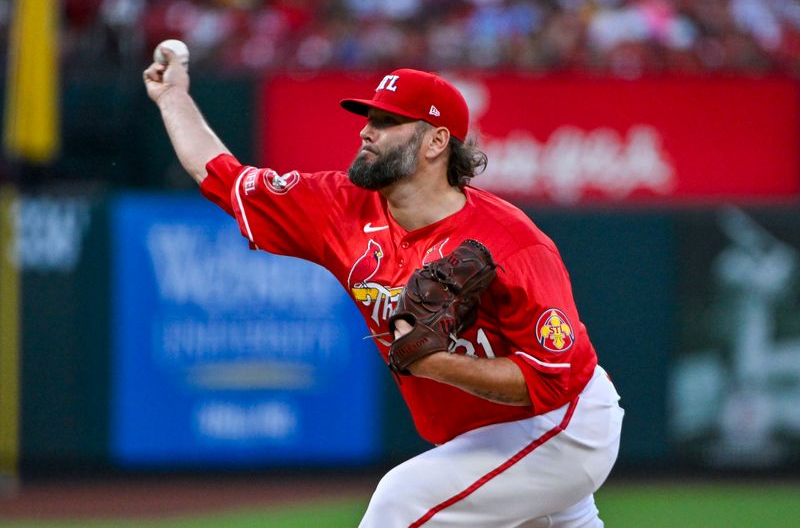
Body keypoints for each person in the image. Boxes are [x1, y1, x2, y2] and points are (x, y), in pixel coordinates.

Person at [144, 47, 624, 527]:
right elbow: (223, 177)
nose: (366, 130)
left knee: (401, 502)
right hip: (484, 437)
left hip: (563, 425)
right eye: (368, 117)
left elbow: (551, 381)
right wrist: (172, 98)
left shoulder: (513, 242)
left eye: (388, 121)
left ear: (436, 142)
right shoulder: (340, 207)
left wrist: (436, 364)